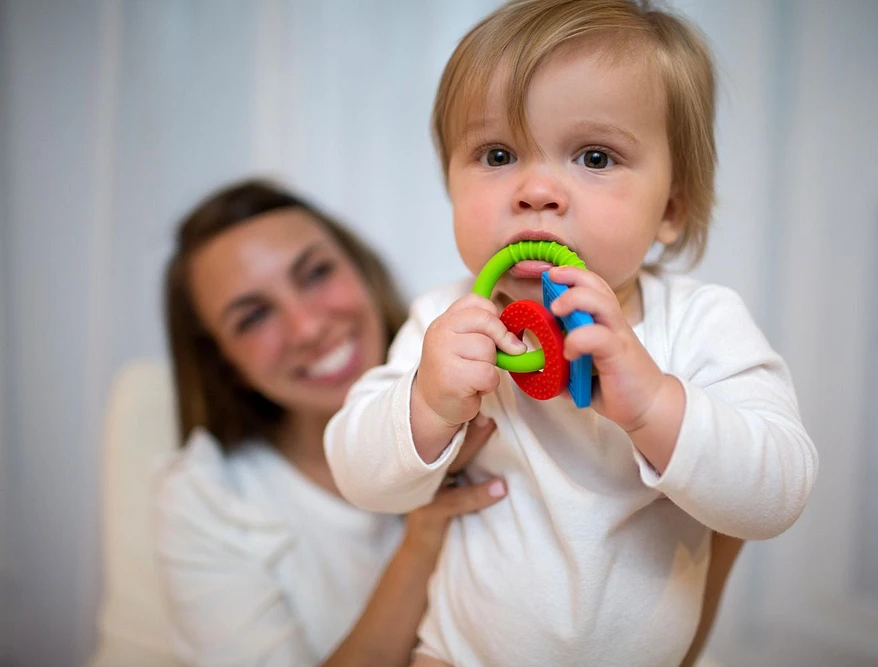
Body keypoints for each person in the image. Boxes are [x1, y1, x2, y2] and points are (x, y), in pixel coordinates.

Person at [325, 0, 819, 665]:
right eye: (497, 153)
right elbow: (359, 476)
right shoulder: (443, 322)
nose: (536, 190)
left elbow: (779, 493)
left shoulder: (701, 321)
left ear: (670, 207)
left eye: (594, 156)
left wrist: (653, 404)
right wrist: (425, 405)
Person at [153, 179, 508, 667]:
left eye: (316, 273)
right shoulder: (207, 497)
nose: (309, 328)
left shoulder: (492, 381)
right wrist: (423, 535)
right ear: (222, 363)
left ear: (361, 269)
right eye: (254, 316)